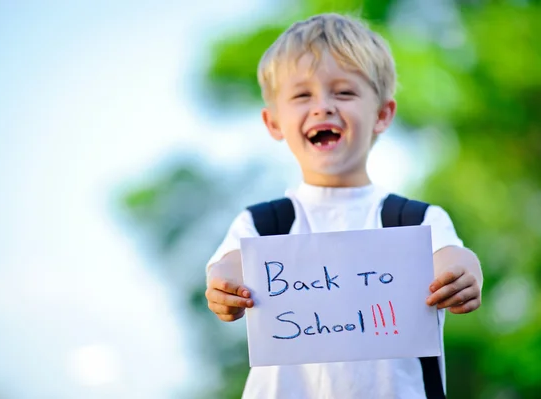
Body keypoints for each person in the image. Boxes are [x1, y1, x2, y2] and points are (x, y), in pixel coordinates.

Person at [204, 12, 483, 399]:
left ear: (383, 114)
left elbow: (453, 257)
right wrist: (224, 285)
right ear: (273, 123)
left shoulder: (415, 220)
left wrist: (464, 274)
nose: (323, 107)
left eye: (344, 92)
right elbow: (230, 264)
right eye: (302, 95)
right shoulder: (261, 223)